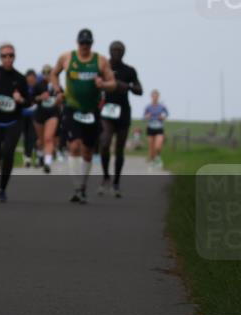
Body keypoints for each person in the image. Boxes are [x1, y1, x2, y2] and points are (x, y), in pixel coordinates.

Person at [49, 28, 118, 204]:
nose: (85, 46)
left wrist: (103, 84)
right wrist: (57, 90)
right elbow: (54, 74)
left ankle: (83, 185)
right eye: (82, 43)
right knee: (74, 146)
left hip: (92, 110)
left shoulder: (100, 61)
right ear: (77, 43)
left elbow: (113, 84)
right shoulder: (67, 58)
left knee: (87, 151)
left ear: (92, 44)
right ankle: (76, 188)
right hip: (72, 107)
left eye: (88, 43)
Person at [0, 43, 30, 202]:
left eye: (11, 55)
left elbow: (28, 102)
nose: (8, 59)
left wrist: (21, 99)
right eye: (4, 56)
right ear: (0, 57)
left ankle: (2, 189)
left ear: (14, 57)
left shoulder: (20, 78)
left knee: (8, 153)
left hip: (13, 121)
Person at [98, 41, 143, 197]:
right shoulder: (103, 68)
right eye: (114, 50)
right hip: (107, 111)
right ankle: (106, 176)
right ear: (109, 51)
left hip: (123, 112)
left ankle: (116, 182)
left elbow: (140, 90)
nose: (117, 52)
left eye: (120, 50)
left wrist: (128, 86)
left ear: (124, 52)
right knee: (105, 143)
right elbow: (94, 85)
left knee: (119, 149)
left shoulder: (129, 70)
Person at [31, 63, 60, 173]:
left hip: (53, 114)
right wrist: (40, 97)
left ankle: (47, 163)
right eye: (44, 73)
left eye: (49, 72)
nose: (47, 75)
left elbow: (63, 97)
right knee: (41, 140)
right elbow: (31, 99)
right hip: (40, 114)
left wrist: (60, 99)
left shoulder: (57, 85)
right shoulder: (38, 85)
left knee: (48, 138)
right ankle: (40, 157)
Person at [144, 90, 169, 168]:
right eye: (153, 96)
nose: (155, 98)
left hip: (159, 128)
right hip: (150, 128)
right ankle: (152, 160)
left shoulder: (162, 106)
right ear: (151, 97)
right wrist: (147, 116)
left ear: (158, 97)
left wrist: (163, 117)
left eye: (156, 96)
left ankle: (158, 158)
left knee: (158, 146)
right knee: (151, 148)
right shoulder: (148, 107)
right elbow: (144, 116)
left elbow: (166, 114)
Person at [21, 70, 39, 167]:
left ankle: (36, 156)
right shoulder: (23, 88)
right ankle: (27, 156)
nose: (31, 82)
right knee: (26, 136)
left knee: (33, 136)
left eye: (32, 80)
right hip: (23, 115)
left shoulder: (38, 88)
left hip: (34, 115)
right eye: (29, 80)